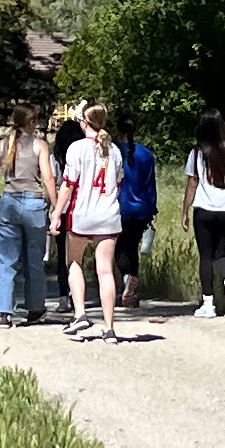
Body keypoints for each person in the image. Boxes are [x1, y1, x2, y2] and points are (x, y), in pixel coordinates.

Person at [60, 102, 128, 338]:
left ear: (84, 122)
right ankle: (109, 327)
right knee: (105, 270)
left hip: (82, 214)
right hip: (108, 214)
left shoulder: (77, 148)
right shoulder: (114, 150)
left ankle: (80, 313)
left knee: (74, 262)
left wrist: (57, 213)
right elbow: (118, 184)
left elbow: (68, 184)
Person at [0, 112, 58, 324]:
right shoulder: (40, 146)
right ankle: (35, 308)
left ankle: (4, 310)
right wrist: (56, 206)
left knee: (7, 260)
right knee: (34, 260)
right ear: (31, 122)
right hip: (34, 204)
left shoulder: (2, 145)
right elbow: (48, 178)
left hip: (9, 202)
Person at [188, 111, 225, 318]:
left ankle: (208, 303)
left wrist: (185, 211)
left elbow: (192, 183)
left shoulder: (198, 153)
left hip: (204, 210)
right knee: (222, 254)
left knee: (206, 256)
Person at [117, 113, 159, 302]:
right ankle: (132, 284)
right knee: (132, 247)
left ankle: (126, 278)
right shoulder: (146, 154)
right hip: (141, 208)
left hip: (119, 207)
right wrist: (153, 208)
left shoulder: (114, 151)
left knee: (119, 248)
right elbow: (150, 184)